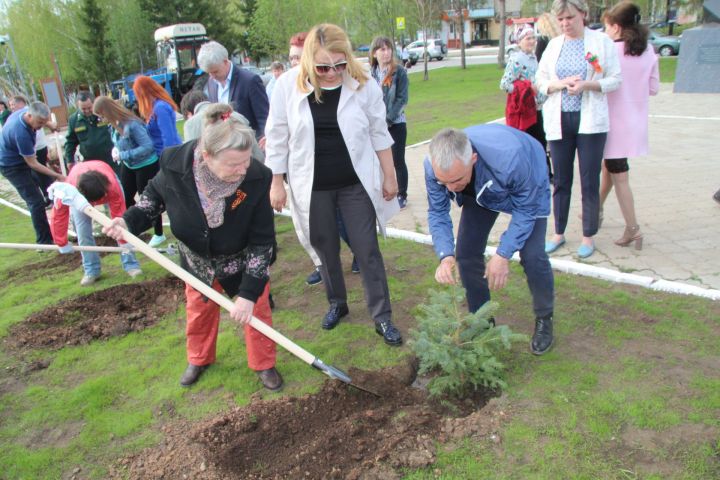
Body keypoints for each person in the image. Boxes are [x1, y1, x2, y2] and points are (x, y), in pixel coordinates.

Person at [101, 104, 282, 390]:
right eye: (234, 165)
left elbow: (262, 242)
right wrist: (127, 222)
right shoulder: (175, 163)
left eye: (245, 162)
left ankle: (264, 363)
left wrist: (247, 294)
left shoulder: (257, 177)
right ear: (207, 156)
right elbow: (152, 198)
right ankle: (199, 358)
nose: (242, 170)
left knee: (256, 311)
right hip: (197, 259)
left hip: (243, 260)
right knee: (198, 311)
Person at [266, 23, 402, 346]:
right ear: (308, 62)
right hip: (311, 185)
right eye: (323, 67)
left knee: (366, 248)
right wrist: (276, 182)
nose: (332, 73)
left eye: (340, 65)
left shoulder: (362, 84)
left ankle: (382, 317)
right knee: (325, 248)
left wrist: (390, 174)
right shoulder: (286, 87)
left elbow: (379, 132)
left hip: (354, 182)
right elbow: (277, 137)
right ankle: (337, 303)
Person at [425, 125, 555, 355]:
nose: (451, 188)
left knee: (533, 256)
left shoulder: (512, 160)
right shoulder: (435, 167)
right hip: (481, 188)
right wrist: (445, 256)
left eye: (455, 180)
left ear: (472, 159)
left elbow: (525, 211)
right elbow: (437, 211)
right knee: (465, 254)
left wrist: (503, 254)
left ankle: (545, 317)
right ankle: (482, 322)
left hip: (527, 177)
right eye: (443, 182)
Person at [537, 0, 621, 258]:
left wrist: (587, 85)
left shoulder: (601, 43)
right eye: (560, 19)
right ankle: (558, 232)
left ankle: (588, 235)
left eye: (570, 18)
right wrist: (558, 84)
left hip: (590, 122)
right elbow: (540, 81)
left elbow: (615, 79)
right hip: (560, 120)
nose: (565, 24)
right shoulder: (553, 46)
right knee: (561, 180)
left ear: (582, 15)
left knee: (588, 179)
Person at [599, 2, 659, 251]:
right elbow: (653, 89)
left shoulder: (610, 52)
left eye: (608, 26)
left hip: (613, 124)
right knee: (610, 168)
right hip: (634, 123)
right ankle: (596, 209)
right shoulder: (649, 50)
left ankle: (633, 228)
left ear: (616, 27)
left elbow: (599, 82)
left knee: (619, 176)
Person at [49, 161, 142, 285]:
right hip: (79, 196)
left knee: (120, 227)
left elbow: (119, 216)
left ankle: (131, 265)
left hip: (106, 182)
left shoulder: (112, 187)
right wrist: (61, 243)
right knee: (82, 232)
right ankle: (91, 271)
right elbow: (58, 216)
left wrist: (125, 241)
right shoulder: (68, 192)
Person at [92, 96, 165, 248]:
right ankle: (132, 226)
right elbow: (120, 142)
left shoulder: (132, 125)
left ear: (108, 111)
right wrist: (117, 149)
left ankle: (159, 233)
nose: (101, 119)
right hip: (129, 165)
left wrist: (124, 154)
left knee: (149, 200)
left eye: (102, 115)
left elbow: (147, 146)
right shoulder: (113, 126)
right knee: (125, 196)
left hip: (146, 165)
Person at [0, 101, 65, 244]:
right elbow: (33, 163)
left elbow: (42, 118)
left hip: (22, 158)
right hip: (11, 166)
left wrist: (50, 124)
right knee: (35, 201)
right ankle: (45, 241)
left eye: (44, 122)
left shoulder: (26, 111)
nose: (42, 126)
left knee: (51, 192)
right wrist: (57, 175)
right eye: (40, 123)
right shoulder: (21, 133)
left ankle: (58, 233)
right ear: (29, 116)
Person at [131, 76, 182, 246]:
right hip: (164, 156)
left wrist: (168, 161)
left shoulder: (160, 108)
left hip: (169, 157)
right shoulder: (157, 107)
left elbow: (169, 137)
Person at [500, 24, 551, 179]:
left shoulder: (533, 57)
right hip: (524, 111)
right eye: (528, 38)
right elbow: (504, 84)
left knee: (541, 141)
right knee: (527, 143)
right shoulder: (517, 59)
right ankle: (527, 174)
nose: (531, 41)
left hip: (537, 108)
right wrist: (526, 87)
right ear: (520, 41)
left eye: (533, 37)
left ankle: (545, 173)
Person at [197, 41, 269, 144]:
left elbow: (264, 117)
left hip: (250, 146)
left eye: (215, 71)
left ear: (225, 62)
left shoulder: (250, 81)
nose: (212, 76)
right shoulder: (211, 83)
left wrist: (264, 142)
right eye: (209, 72)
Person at [370, 36, 410, 209]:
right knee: (379, 160)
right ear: (374, 53)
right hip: (376, 125)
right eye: (382, 49)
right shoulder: (370, 73)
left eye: (388, 49)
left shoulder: (398, 71)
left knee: (397, 160)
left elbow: (402, 99)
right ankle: (383, 190)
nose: (386, 53)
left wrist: (388, 120)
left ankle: (402, 194)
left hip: (396, 124)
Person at [64, 91, 115, 172]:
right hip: (90, 162)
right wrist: (69, 160)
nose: (87, 111)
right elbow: (70, 142)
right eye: (83, 109)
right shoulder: (74, 120)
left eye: (89, 108)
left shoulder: (103, 113)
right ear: (78, 106)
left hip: (110, 158)